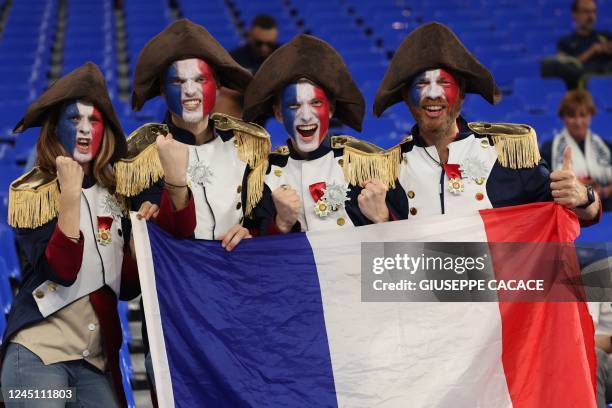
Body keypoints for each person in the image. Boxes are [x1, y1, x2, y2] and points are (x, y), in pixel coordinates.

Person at [0, 62, 140, 407]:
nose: (84, 129)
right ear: (55, 129)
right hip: (37, 354)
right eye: (73, 119)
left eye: (93, 120)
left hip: (93, 362)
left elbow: (128, 288)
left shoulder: (117, 196)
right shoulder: (33, 192)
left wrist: (140, 241)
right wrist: (69, 194)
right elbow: (62, 270)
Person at [373, 22, 601, 223]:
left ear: (462, 93)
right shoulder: (389, 174)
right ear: (406, 97)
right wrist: (380, 224)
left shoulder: (509, 155)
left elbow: (576, 214)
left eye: (445, 83)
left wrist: (584, 196)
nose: (433, 94)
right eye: (421, 84)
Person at [243, 34, 408, 233]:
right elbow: (257, 257)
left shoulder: (368, 165)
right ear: (279, 113)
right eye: (294, 105)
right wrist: (280, 225)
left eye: (316, 103)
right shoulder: (263, 177)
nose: (305, 116)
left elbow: (405, 254)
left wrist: (383, 219)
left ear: (330, 109)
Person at [541, 90, 612, 211]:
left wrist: (604, 192)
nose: (578, 122)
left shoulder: (606, 146)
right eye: (572, 116)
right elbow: (545, 186)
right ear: (563, 117)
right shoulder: (549, 149)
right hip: (569, 212)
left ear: (590, 116)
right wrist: (577, 187)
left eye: (583, 115)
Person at [541, 0, 612, 89]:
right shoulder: (565, 42)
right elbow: (568, 67)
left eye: (593, 12)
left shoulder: (605, 36)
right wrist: (591, 51)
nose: (591, 16)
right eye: (586, 11)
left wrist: (607, 49)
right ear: (575, 14)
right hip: (581, 88)